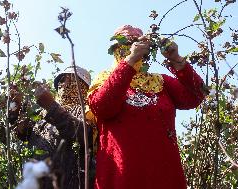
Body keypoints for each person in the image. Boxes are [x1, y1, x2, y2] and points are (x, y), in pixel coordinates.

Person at [87, 25, 206, 189]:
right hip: (121, 178)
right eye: (126, 45)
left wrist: (176, 58)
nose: (129, 49)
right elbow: (103, 107)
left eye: (134, 44)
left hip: (165, 177)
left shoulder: (161, 82)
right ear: (115, 48)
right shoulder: (105, 79)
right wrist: (130, 60)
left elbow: (196, 96)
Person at [18, 65, 94, 189]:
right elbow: (30, 137)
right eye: (60, 80)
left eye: (67, 80)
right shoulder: (43, 114)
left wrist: (51, 107)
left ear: (80, 85)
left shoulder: (87, 110)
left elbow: (84, 135)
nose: (61, 84)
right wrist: (17, 113)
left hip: (67, 183)